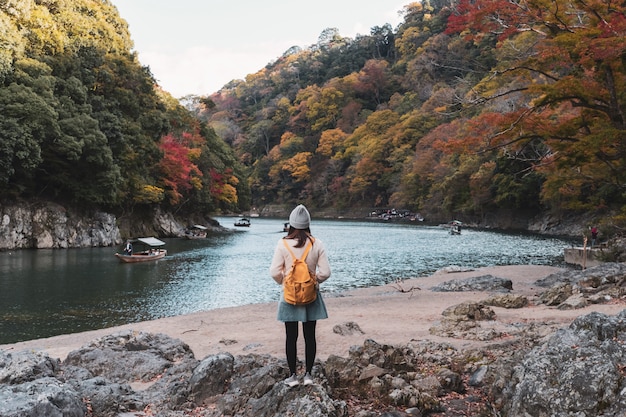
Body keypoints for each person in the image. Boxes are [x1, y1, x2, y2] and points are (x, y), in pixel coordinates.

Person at [270, 204, 331, 387]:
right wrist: (314, 281)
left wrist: (285, 282)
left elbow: (274, 272)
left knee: (291, 336)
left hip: (289, 295)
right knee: (310, 335)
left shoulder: (282, 243)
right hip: (311, 295)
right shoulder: (317, 243)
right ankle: (309, 375)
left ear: (291, 224)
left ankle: (292, 376)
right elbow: (326, 272)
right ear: (308, 224)